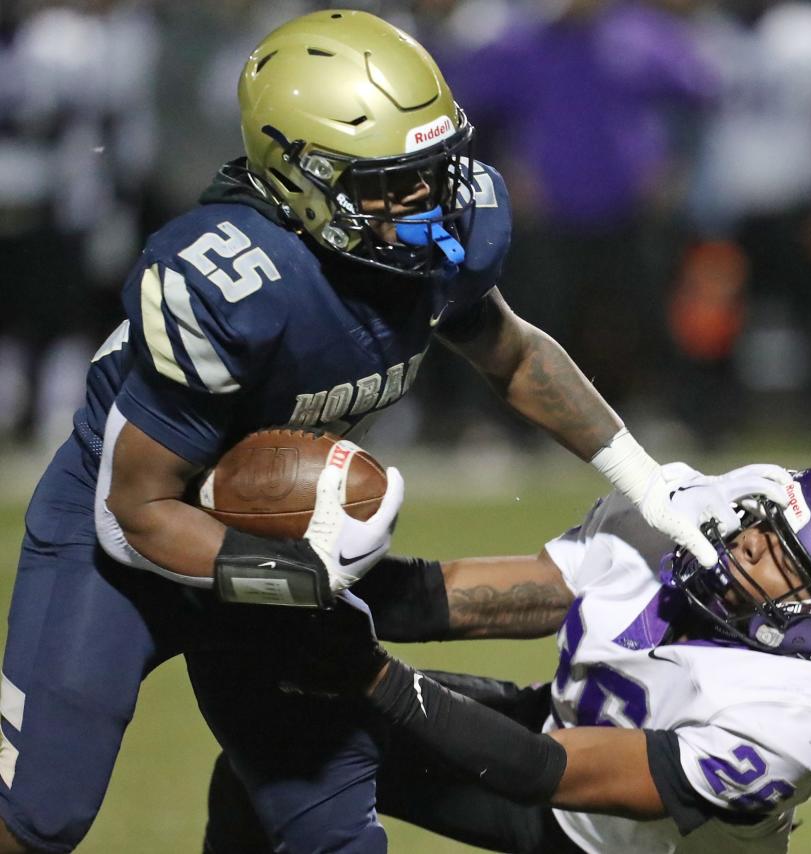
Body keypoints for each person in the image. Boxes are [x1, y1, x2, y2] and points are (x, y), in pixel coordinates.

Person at [0, 10, 740, 854]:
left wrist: (648, 484)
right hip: (125, 551)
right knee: (38, 820)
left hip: (270, 529)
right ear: (300, 176)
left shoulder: (442, 233)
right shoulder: (233, 278)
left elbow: (515, 357)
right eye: (395, 183)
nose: (432, 202)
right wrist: (295, 576)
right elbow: (133, 510)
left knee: (333, 836)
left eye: (435, 170)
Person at [208, 462, 811, 853]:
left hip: (619, 841)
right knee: (278, 740)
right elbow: (483, 599)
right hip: (549, 735)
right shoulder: (687, 519)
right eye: (769, 523)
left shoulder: (798, 719)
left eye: (786, 559)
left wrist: (373, 674)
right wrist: (323, 578)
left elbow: (547, 774)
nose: (747, 541)